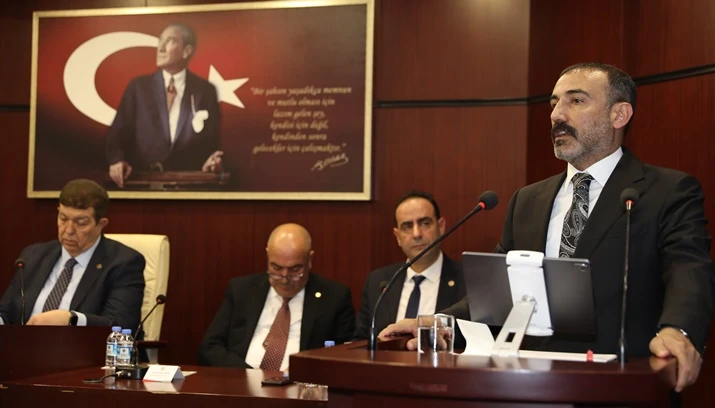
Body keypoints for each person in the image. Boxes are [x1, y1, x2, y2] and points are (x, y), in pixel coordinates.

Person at [379, 63, 715, 393]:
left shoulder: (666, 191)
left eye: (576, 100)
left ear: (619, 114)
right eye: (554, 103)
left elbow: (689, 269)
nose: (557, 115)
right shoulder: (527, 200)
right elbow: (499, 294)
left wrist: (679, 330)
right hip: (532, 387)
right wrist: (441, 322)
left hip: (622, 386)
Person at [198, 223, 356, 370]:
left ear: (310, 260)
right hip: (241, 380)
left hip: (299, 385)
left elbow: (345, 354)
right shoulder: (242, 290)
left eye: (295, 270)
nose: (284, 278)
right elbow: (210, 347)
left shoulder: (334, 298)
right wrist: (248, 376)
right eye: (276, 268)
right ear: (267, 256)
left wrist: (303, 371)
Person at [0, 179, 146, 329]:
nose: (68, 230)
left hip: (84, 344)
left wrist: (72, 319)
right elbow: (6, 312)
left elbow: (121, 324)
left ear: (101, 225)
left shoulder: (124, 263)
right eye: (63, 218)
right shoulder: (32, 256)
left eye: (81, 223)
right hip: (24, 343)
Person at [107, 22, 223, 188]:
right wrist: (117, 160)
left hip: (188, 189)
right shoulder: (138, 88)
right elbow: (116, 136)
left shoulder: (205, 91)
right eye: (160, 40)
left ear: (186, 51)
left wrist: (210, 162)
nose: (160, 47)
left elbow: (211, 145)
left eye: (170, 41)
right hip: (142, 186)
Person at [354, 191, 467, 340]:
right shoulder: (377, 282)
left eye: (425, 223)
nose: (416, 234)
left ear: (441, 227)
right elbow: (360, 342)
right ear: (397, 236)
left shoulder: (467, 280)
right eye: (407, 226)